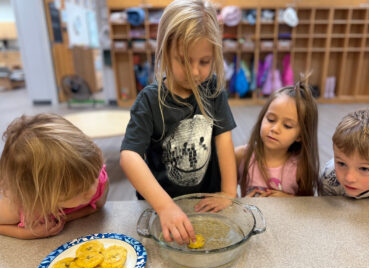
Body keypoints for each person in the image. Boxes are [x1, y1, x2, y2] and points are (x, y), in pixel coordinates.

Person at [120, 0, 237, 245]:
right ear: (164, 52)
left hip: (204, 204)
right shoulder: (149, 101)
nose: (195, 72)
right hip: (161, 208)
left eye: (204, 62)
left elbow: (224, 140)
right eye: (184, 61)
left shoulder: (213, 90)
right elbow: (129, 155)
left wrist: (228, 192)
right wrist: (164, 207)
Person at [0, 114, 109, 239]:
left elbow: (98, 205)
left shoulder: (95, 180)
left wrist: (65, 218)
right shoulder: (18, 207)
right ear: (42, 195)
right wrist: (26, 233)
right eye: (79, 191)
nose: (92, 190)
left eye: (94, 176)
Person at [236, 79, 320, 197]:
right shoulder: (241, 156)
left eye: (287, 126)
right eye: (270, 119)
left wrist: (287, 199)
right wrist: (241, 203)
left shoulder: (300, 168)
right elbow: (224, 193)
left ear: (300, 136)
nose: (275, 129)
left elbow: (306, 206)